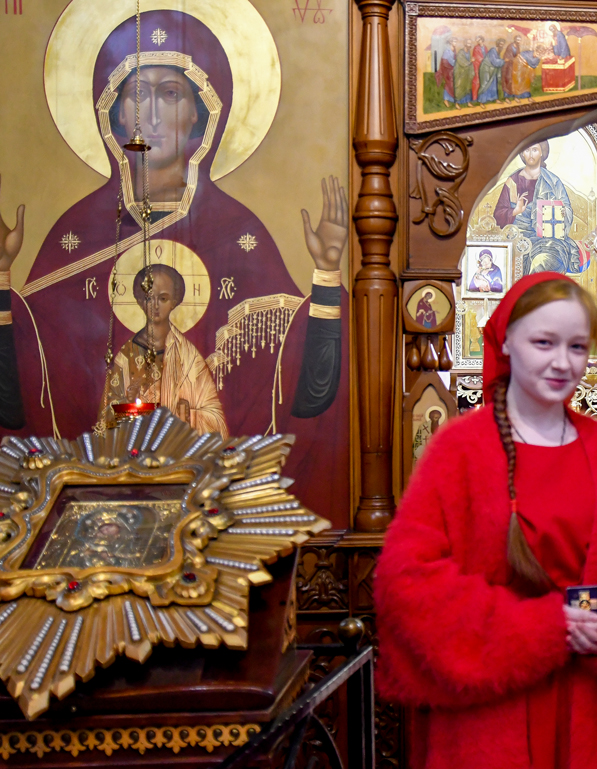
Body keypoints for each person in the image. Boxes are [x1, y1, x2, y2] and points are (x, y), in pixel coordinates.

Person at [0, 10, 349, 524]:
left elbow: (309, 392)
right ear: (115, 115)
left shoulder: (239, 232)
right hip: (100, 511)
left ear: (200, 115)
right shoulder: (74, 235)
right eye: (136, 95)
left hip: (207, 505)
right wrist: (1, 282)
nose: (152, 116)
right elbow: (17, 398)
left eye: (170, 94)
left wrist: (327, 277)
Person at [376, 273, 597, 769]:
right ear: (505, 341)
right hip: (489, 717)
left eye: (577, 347)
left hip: (591, 709)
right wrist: (542, 630)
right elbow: (407, 580)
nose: (562, 363)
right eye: (544, 343)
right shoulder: (460, 450)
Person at [98, 264, 227, 436]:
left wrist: (189, 415)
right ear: (139, 301)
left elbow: (216, 419)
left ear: (174, 301)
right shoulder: (126, 356)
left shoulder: (188, 356)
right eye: (149, 298)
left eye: (163, 298)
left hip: (177, 447)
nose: (155, 305)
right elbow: (105, 416)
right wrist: (127, 404)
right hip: (137, 447)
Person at [493, 141, 584, 274]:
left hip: (548, 240)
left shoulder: (553, 182)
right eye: (527, 150)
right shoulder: (513, 181)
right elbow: (498, 215)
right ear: (522, 154)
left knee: (544, 261)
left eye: (535, 150)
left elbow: (567, 209)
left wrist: (561, 212)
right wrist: (515, 211)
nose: (530, 154)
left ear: (542, 152)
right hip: (517, 237)